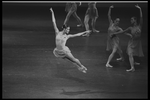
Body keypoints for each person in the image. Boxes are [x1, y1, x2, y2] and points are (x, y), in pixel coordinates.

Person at [50, 8, 91, 73]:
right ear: (64, 29)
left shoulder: (67, 36)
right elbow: (54, 22)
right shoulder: (57, 32)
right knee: (71, 60)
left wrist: (85, 32)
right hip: (58, 51)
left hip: (64, 51)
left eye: (69, 30)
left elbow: (76, 35)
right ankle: (80, 67)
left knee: (74, 60)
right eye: (68, 29)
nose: (68, 31)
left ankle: (82, 66)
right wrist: (52, 12)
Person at [116, 4, 144, 72]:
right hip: (131, 43)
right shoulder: (130, 28)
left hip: (137, 42)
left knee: (133, 54)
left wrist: (140, 9)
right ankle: (132, 68)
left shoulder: (139, 26)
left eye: (131, 19)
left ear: (135, 20)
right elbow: (123, 31)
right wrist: (115, 33)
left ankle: (133, 63)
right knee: (130, 54)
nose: (130, 21)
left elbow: (141, 17)